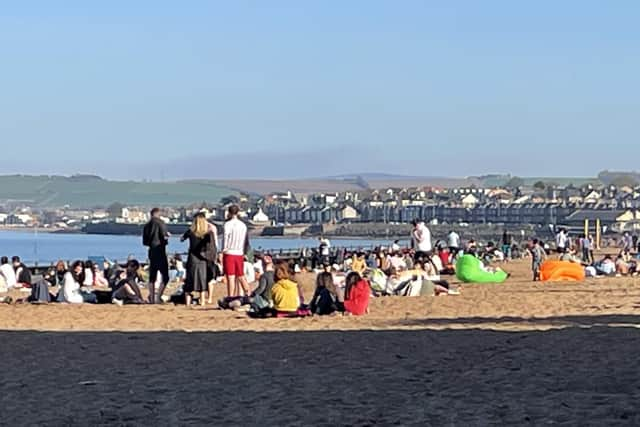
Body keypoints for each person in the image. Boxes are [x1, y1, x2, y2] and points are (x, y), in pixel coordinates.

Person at [181, 213, 214, 307]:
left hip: (192, 257)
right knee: (202, 279)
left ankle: (188, 301)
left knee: (190, 279)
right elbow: (211, 247)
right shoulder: (207, 234)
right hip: (202, 258)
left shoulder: (190, 232)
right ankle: (202, 301)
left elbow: (182, 238)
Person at [222, 205, 251, 297]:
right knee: (241, 276)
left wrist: (223, 249)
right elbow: (245, 240)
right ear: (238, 212)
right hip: (239, 252)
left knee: (231, 277)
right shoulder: (243, 225)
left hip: (229, 252)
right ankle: (248, 293)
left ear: (229, 213)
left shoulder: (227, 224)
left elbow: (225, 238)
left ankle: (230, 297)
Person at [142, 207, 170, 304]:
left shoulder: (146, 226)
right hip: (160, 250)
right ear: (158, 214)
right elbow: (164, 236)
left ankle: (152, 298)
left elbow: (144, 242)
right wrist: (167, 238)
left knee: (152, 277)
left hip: (151, 251)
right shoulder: (161, 223)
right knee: (165, 276)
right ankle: (158, 297)